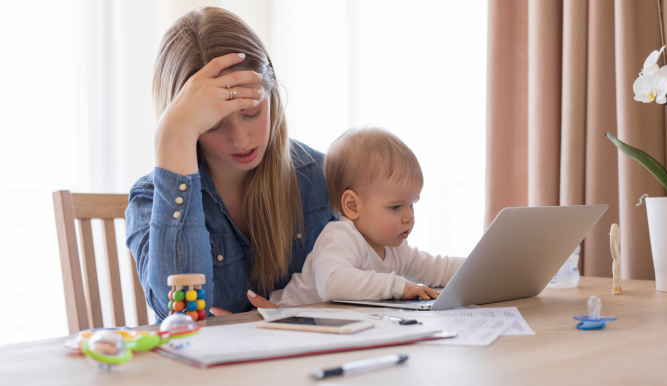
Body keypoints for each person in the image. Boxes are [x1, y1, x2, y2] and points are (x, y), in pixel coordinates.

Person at [125, 7, 333, 321]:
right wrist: (170, 139)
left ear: (272, 96)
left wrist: (298, 318)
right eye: (214, 124)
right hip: (204, 370)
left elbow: (373, 287)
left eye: (251, 112)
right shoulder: (150, 199)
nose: (240, 140)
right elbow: (179, 315)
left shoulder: (321, 176)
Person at [263, 127, 465, 307]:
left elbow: (437, 268)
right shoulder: (340, 237)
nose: (409, 217)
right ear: (352, 206)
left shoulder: (395, 247)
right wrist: (398, 287)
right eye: (396, 206)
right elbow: (332, 283)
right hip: (290, 320)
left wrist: (485, 268)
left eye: (412, 204)